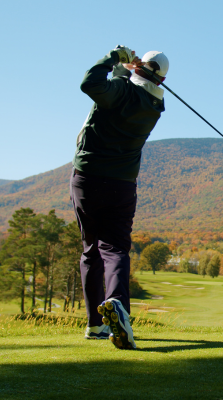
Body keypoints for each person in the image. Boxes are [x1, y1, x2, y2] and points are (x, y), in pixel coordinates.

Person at [70, 45, 169, 349]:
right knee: (115, 249)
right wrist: (127, 70)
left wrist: (115, 58)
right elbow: (124, 88)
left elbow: (90, 83)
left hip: (88, 178)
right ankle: (118, 306)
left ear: (140, 68)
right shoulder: (154, 104)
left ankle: (95, 324)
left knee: (91, 250)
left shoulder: (122, 91)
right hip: (123, 184)